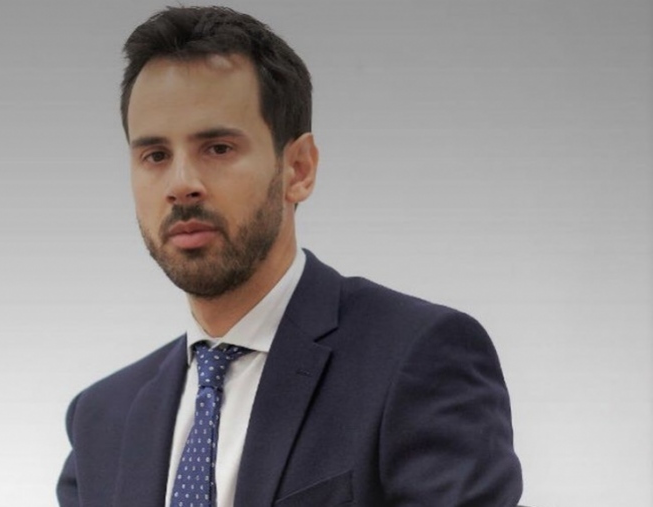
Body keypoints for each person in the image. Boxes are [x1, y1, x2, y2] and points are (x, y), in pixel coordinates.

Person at [57, 6, 522, 507]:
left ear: (298, 168)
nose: (181, 184)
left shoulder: (417, 359)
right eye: (155, 156)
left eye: (218, 148)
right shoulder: (101, 420)